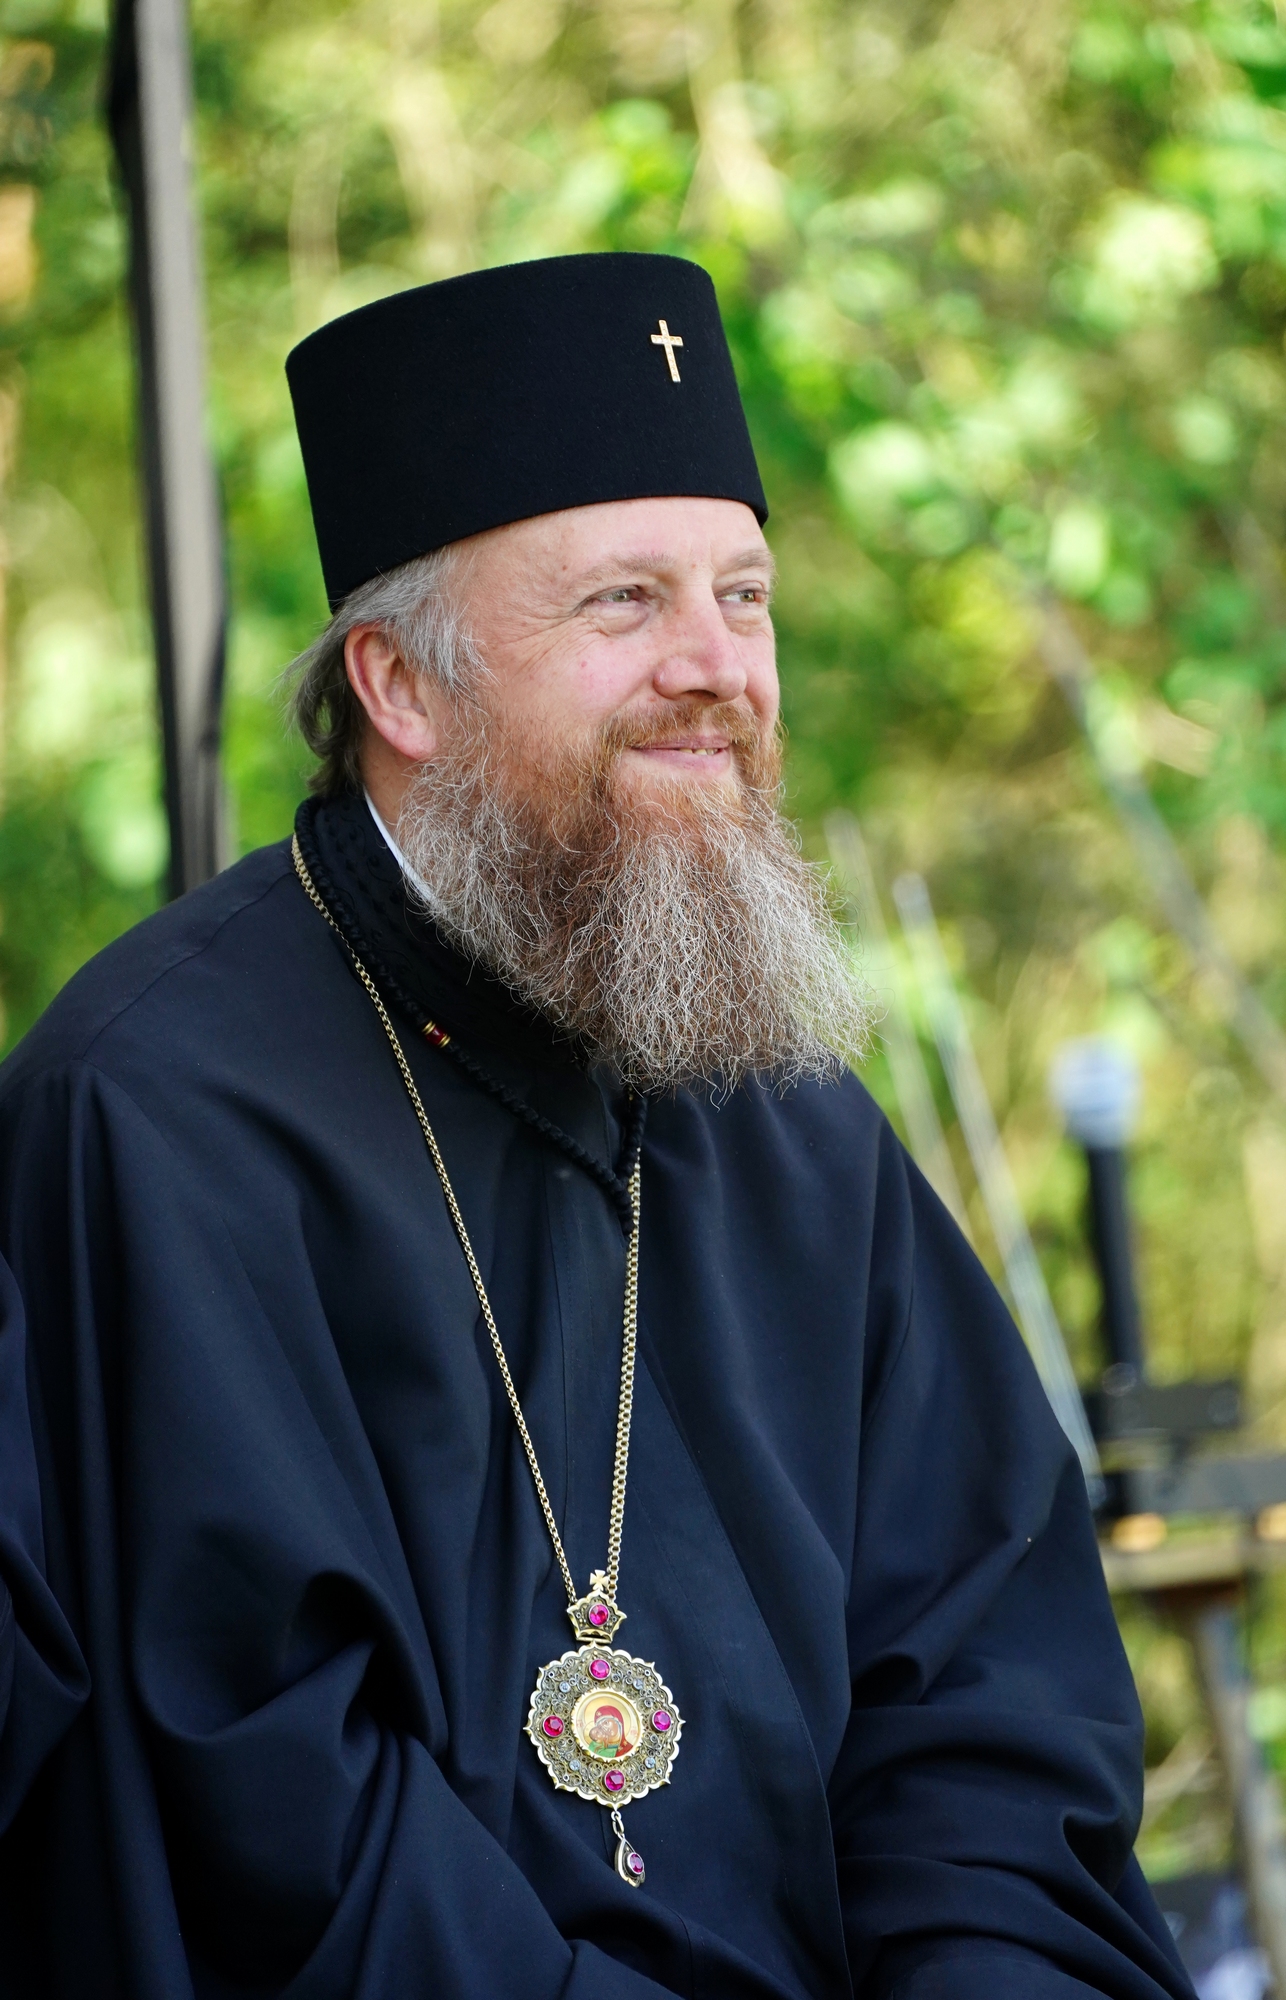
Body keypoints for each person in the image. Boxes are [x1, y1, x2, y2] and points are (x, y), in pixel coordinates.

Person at [0, 252, 1195, 2000]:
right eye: (626, 602)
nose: (715, 667)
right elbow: (260, 1812)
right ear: (401, 689)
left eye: (745, 595)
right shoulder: (156, 1114)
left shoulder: (793, 1112)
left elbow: (989, 1715)